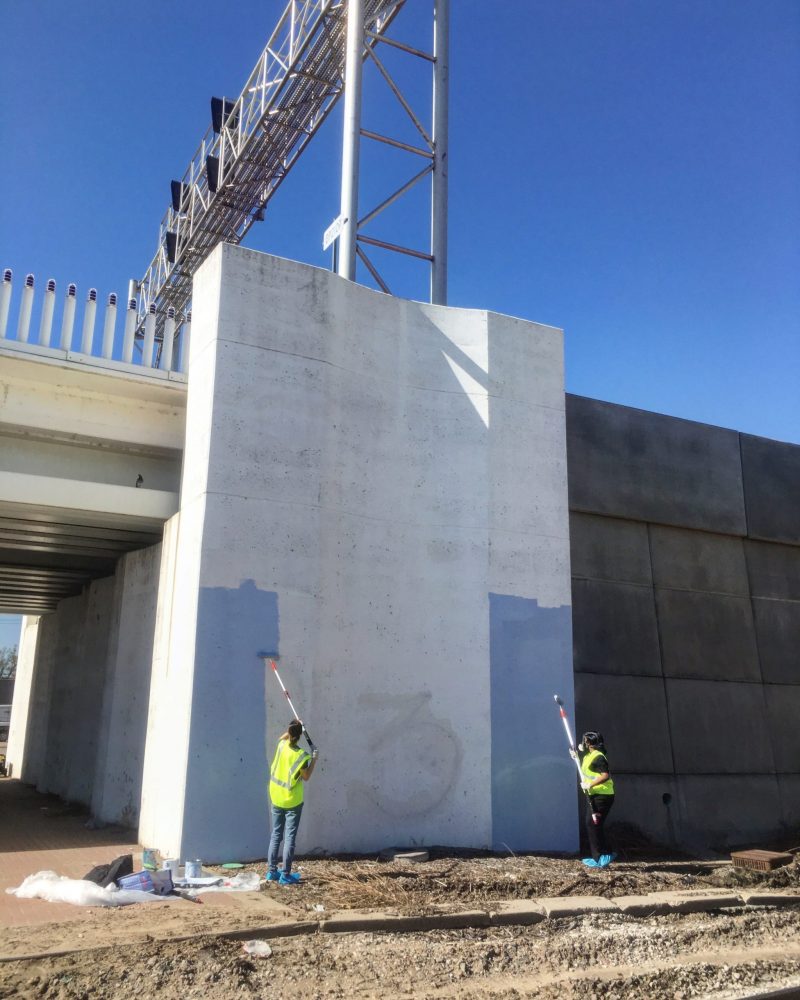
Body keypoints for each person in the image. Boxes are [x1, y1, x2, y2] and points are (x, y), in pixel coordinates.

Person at [267, 719, 318, 885]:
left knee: (276, 835)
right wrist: (314, 758)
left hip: (276, 795)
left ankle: (271, 872)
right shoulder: (301, 755)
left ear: (289, 733)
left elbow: (284, 736)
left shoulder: (281, 745)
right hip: (292, 801)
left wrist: (297, 726)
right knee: (289, 838)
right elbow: (307, 777)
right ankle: (285, 875)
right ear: (299, 736)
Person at [570, 731, 616, 869]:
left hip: (603, 796)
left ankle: (603, 856)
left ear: (589, 743)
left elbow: (605, 775)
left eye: (584, 741)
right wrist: (576, 758)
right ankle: (600, 856)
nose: (582, 743)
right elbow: (587, 771)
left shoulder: (599, 757)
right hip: (593, 795)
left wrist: (590, 784)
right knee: (593, 824)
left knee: (593, 824)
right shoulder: (589, 756)